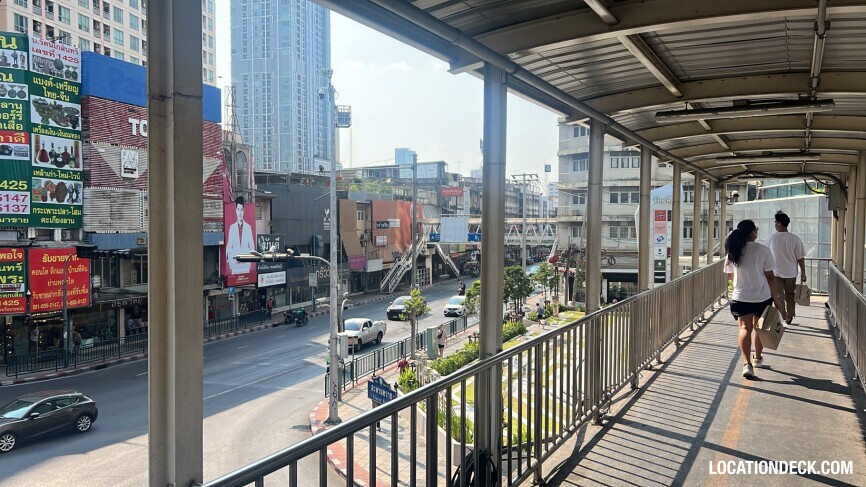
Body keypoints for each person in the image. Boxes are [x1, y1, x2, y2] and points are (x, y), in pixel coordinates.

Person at [724, 220, 786, 379]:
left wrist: (739, 282)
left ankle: (746, 364)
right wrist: (776, 297)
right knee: (760, 328)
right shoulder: (763, 250)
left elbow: (730, 274)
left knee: (745, 328)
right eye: (755, 230)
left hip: (741, 296)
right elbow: (770, 277)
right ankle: (757, 358)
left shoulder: (734, 250)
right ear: (752, 232)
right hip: (762, 296)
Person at [765, 211, 806, 325]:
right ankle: (790, 316)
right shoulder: (795, 239)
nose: (774, 224)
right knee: (790, 295)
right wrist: (803, 272)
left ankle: (783, 316)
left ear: (779, 224)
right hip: (791, 273)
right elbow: (800, 258)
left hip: (775, 273)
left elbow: (765, 256)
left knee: (778, 296)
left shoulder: (770, 238)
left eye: (775, 222)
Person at [225, 196, 256, 275]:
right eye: (238, 209)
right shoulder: (232, 228)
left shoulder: (248, 227)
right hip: (234, 265)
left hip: (246, 264)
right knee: (233, 283)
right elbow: (229, 246)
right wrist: (230, 260)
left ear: (244, 210)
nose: (239, 213)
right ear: (235, 210)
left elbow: (252, 246)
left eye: (241, 210)